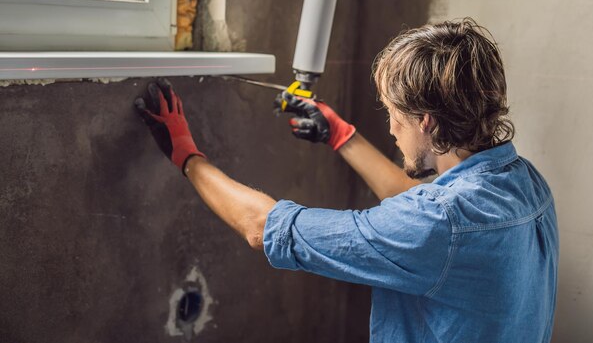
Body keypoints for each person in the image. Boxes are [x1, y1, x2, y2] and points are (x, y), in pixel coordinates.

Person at [135, 18, 559, 343]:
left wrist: (187, 155)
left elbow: (264, 227)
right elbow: (424, 212)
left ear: (425, 121)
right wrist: (340, 135)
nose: (391, 129)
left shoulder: (438, 225)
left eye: (393, 114)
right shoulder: (524, 183)